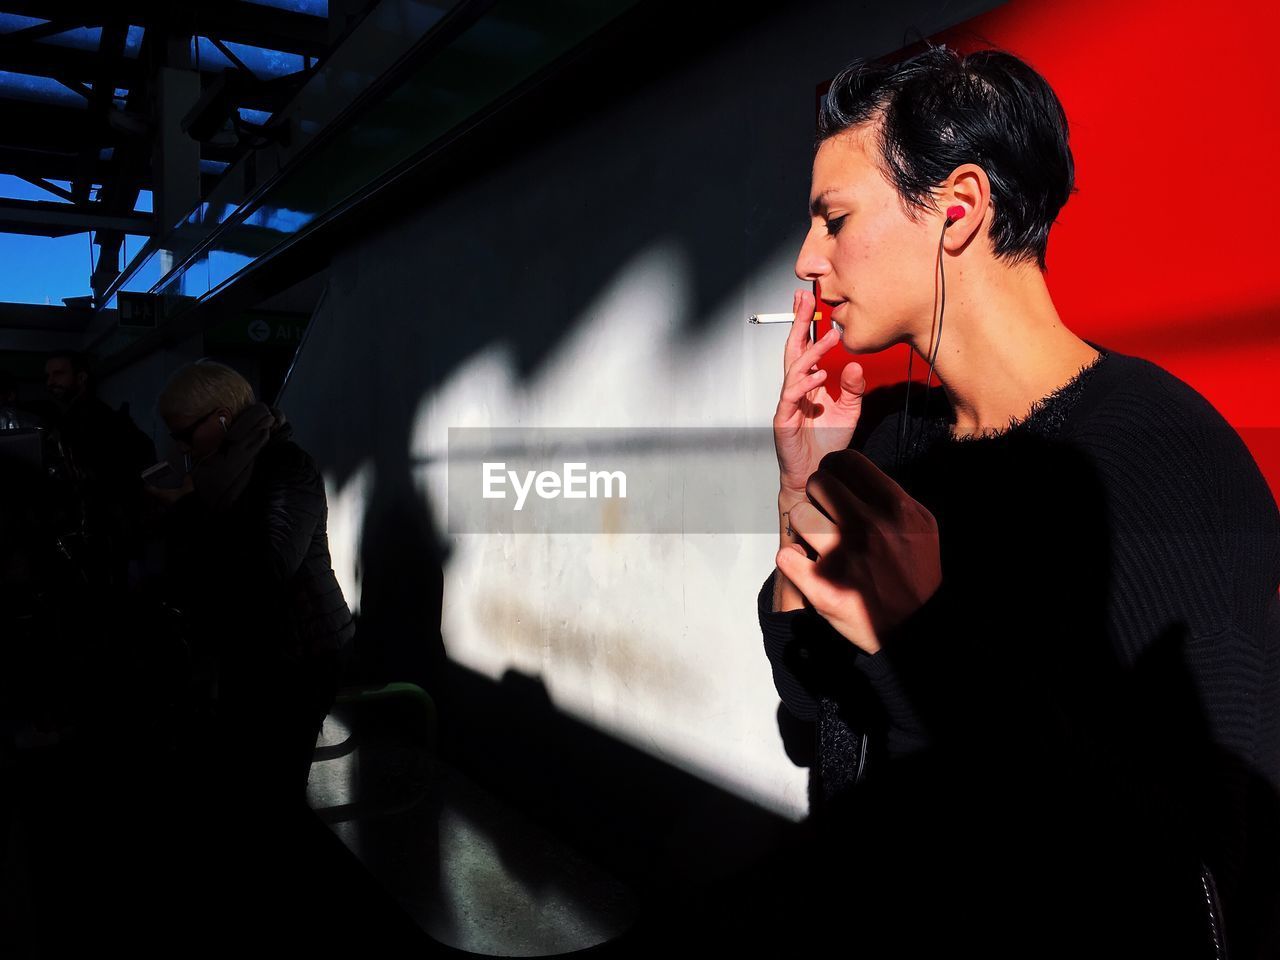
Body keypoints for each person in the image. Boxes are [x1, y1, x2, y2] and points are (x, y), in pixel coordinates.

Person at [753, 44, 1280, 958]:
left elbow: (1184, 866)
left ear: (958, 208)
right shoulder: (883, 434)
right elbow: (810, 711)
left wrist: (927, 630)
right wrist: (803, 485)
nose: (807, 260)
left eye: (833, 219)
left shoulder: (1163, 460)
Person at [148, 359, 355, 939]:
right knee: (245, 778)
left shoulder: (285, 468)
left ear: (220, 419)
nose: (180, 445)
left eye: (186, 432)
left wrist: (186, 515)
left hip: (302, 651)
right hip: (255, 647)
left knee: (269, 787)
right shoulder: (221, 471)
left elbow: (267, 568)